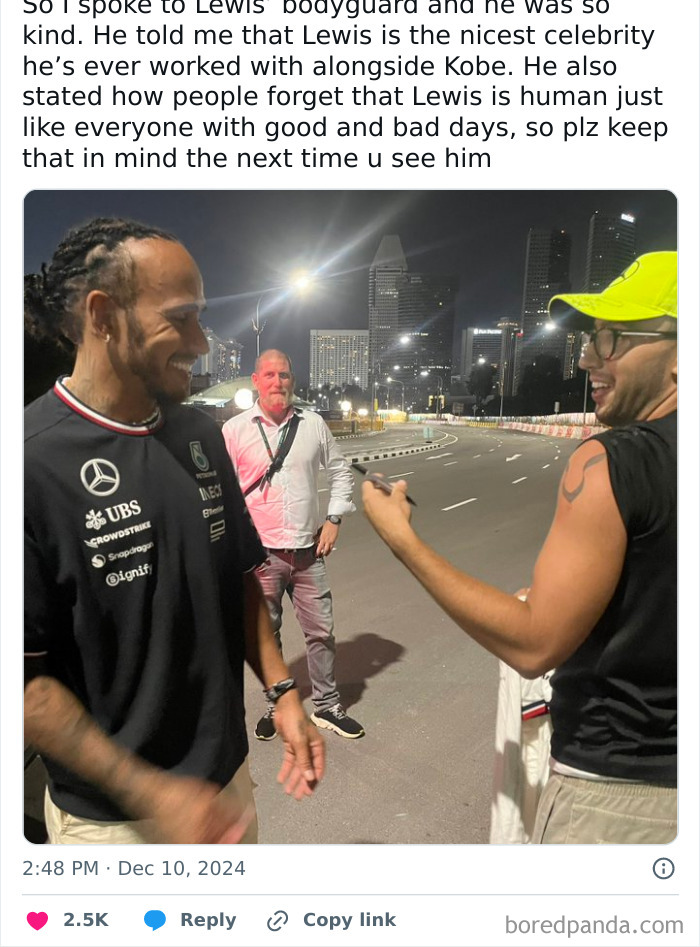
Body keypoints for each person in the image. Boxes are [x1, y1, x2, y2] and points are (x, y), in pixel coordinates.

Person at [24, 218, 324, 845]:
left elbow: (236, 579)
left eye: (200, 318)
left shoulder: (199, 436)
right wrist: (151, 793)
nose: (201, 342)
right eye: (181, 318)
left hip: (225, 787)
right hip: (113, 824)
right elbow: (25, 688)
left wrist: (283, 691)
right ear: (103, 315)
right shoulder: (29, 464)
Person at [363, 252, 677, 844]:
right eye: (590, 337)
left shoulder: (614, 461)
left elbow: (535, 645)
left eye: (611, 339)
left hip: (623, 797)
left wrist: (403, 539)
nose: (586, 358)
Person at [223, 350, 365, 741]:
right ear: (256, 380)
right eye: (269, 375)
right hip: (261, 557)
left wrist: (334, 520)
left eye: (284, 375)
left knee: (321, 633)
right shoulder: (235, 430)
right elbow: (223, 493)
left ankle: (327, 706)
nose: (277, 382)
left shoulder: (313, 424)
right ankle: (277, 706)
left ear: (293, 380)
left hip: (308, 554)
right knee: (266, 638)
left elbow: (340, 472)